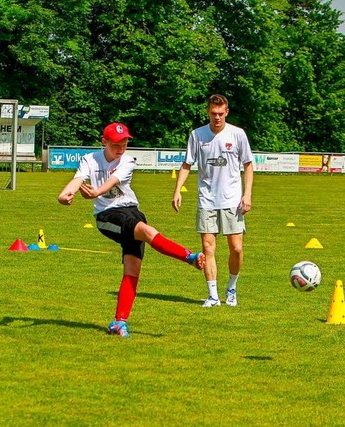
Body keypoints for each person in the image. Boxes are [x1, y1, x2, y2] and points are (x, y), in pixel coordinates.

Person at [58, 122, 205, 338]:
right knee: (147, 231)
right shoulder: (90, 159)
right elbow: (77, 180)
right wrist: (63, 195)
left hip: (132, 212)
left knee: (132, 270)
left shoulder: (127, 161)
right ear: (104, 142)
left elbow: (112, 182)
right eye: (116, 144)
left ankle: (119, 322)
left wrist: (96, 191)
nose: (121, 148)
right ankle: (189, 257)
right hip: (107, 216)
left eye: (125, 143)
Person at [172, 94, 254, 308]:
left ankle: (232, 289)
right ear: (208, 112)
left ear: (226, 112)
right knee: (208, 249)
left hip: (232, 200)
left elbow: (248, 165)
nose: (217, 117)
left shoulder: (238, 134)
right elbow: (187, 164)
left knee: (236, 248)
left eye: (221, 113)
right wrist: (177, 190)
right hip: (207, 200)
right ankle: (213, 296)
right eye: (213, 113)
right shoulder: (197, 135)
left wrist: (247, 194)